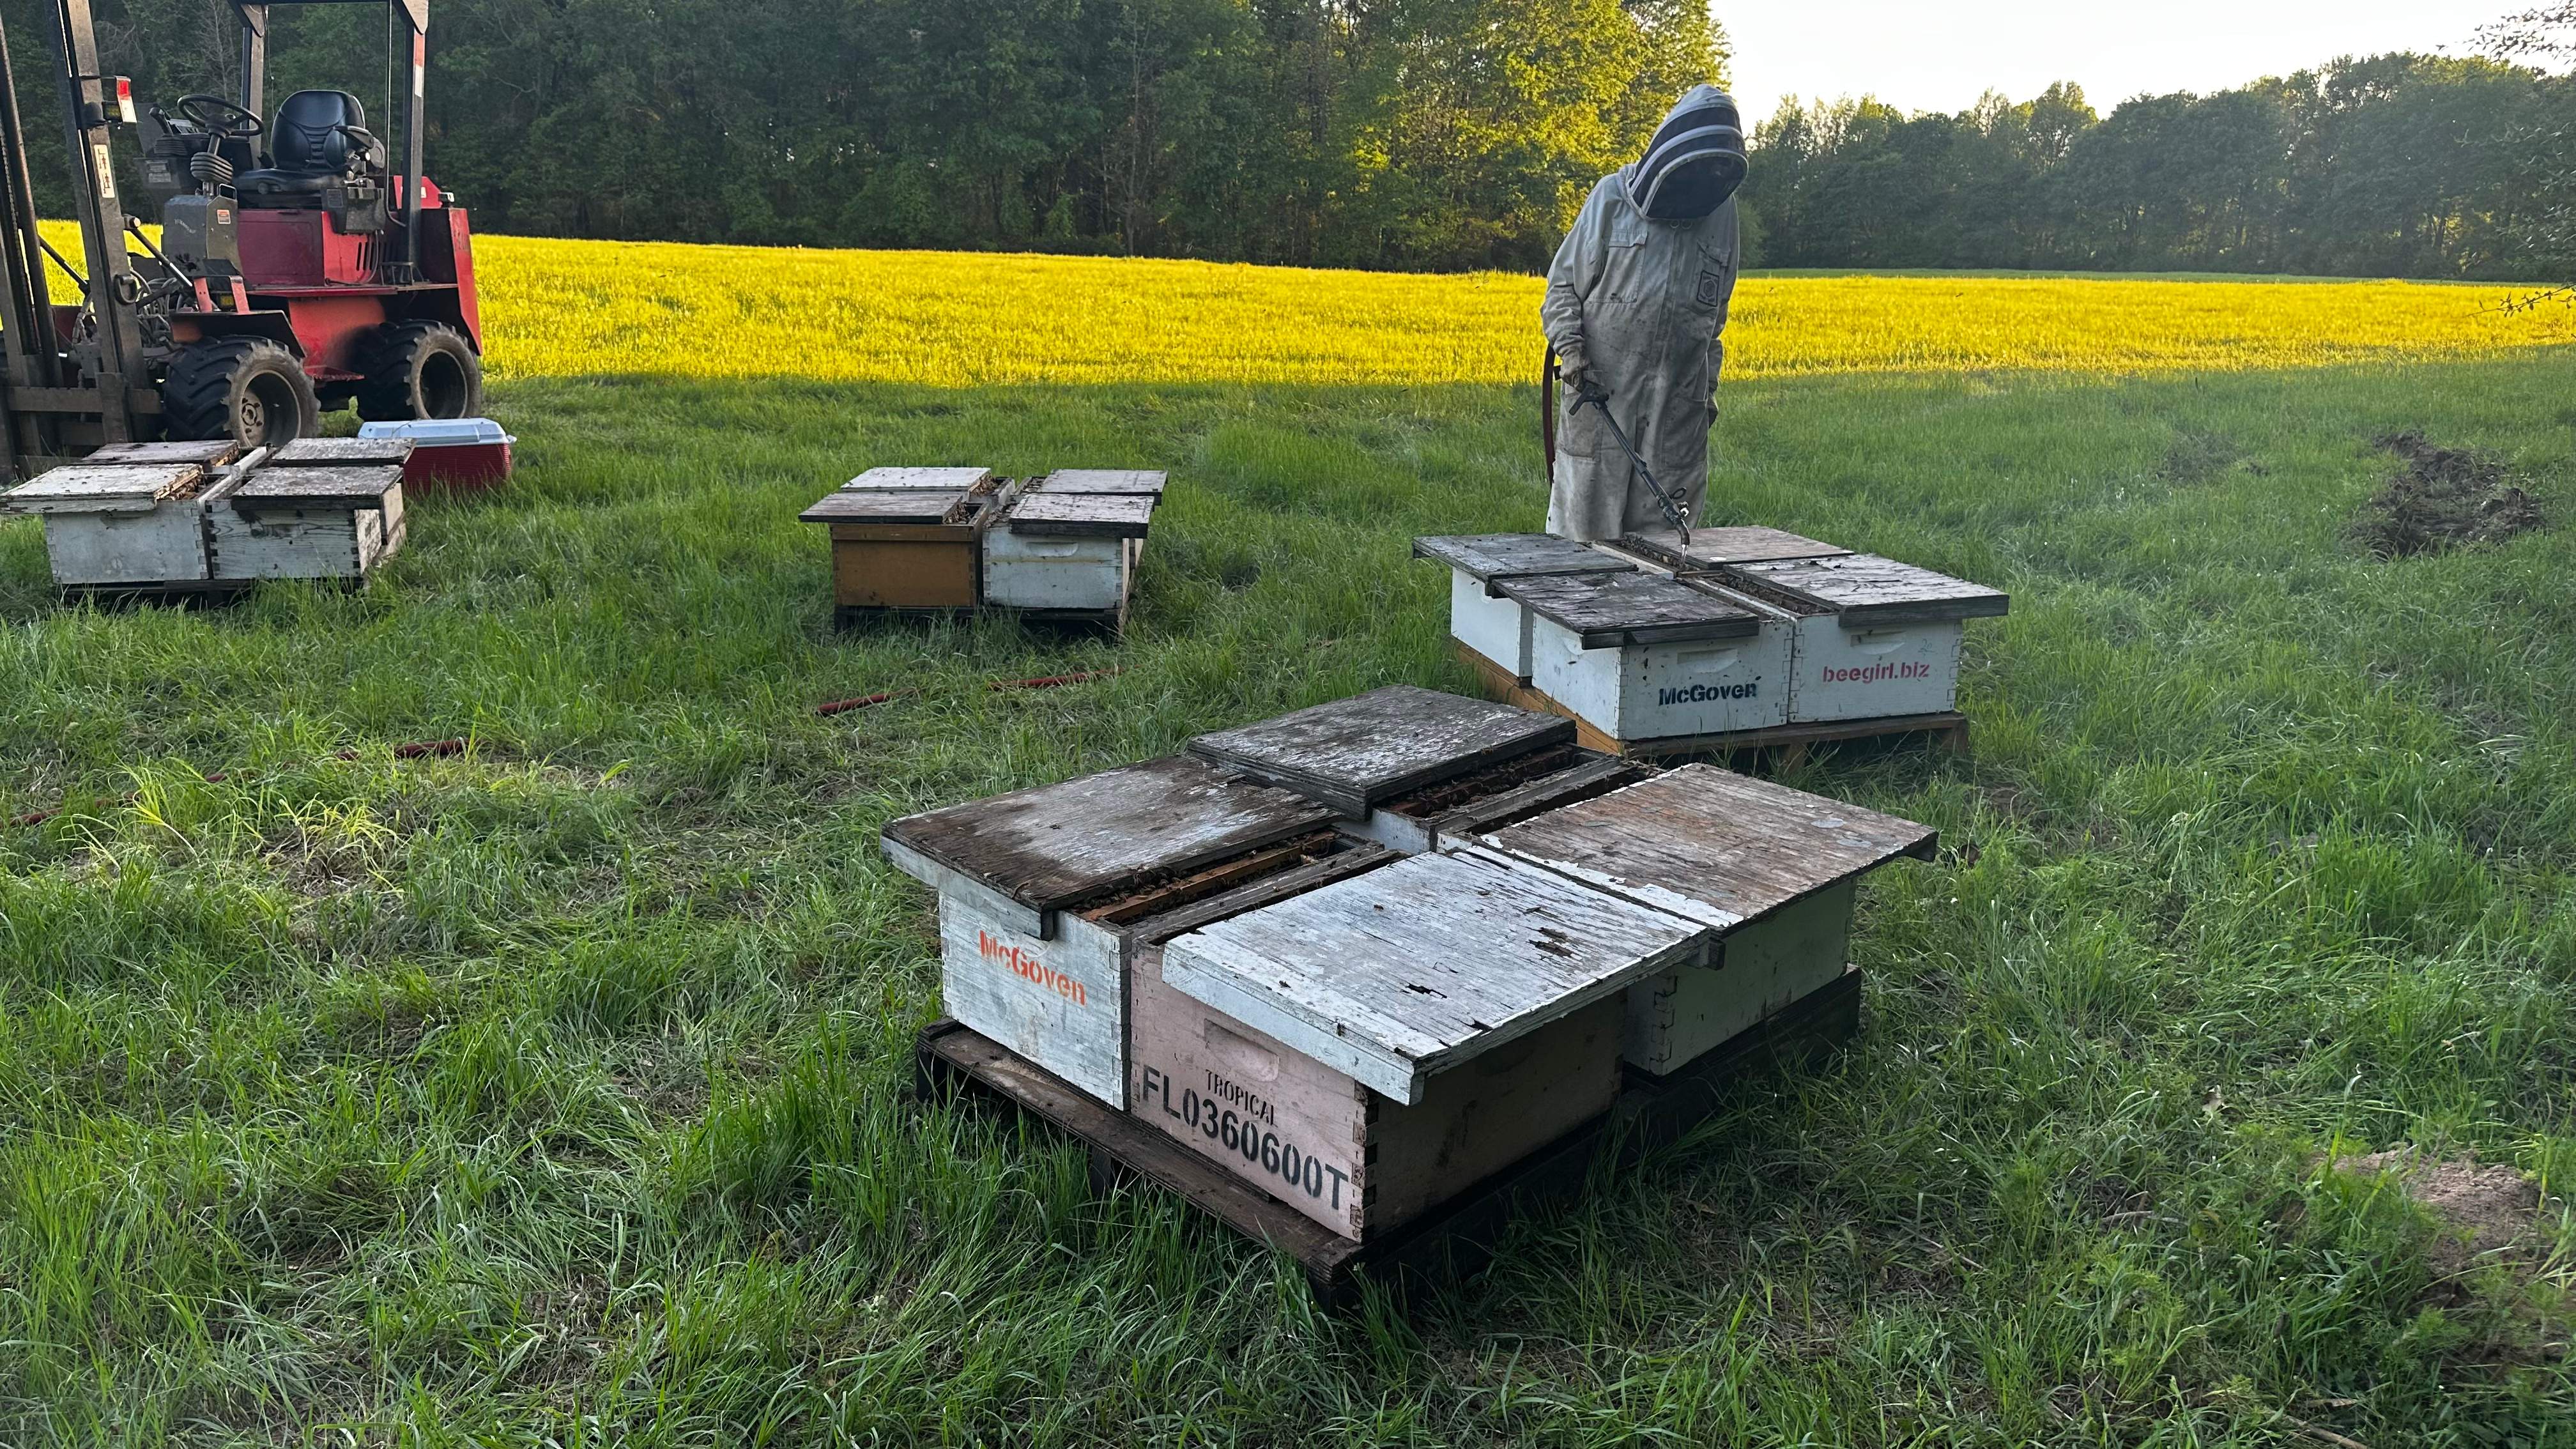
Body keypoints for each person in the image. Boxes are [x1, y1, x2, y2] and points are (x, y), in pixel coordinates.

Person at [1539, 85, 1747, 542]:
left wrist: (1705, 391)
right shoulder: (1611, 199)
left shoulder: (1723, 214)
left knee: (1667, 550)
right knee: (1583, 548)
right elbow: (1561, 288)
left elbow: (1715, 317)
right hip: (1601, 397)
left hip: (1678, 410)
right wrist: (1572, 354)